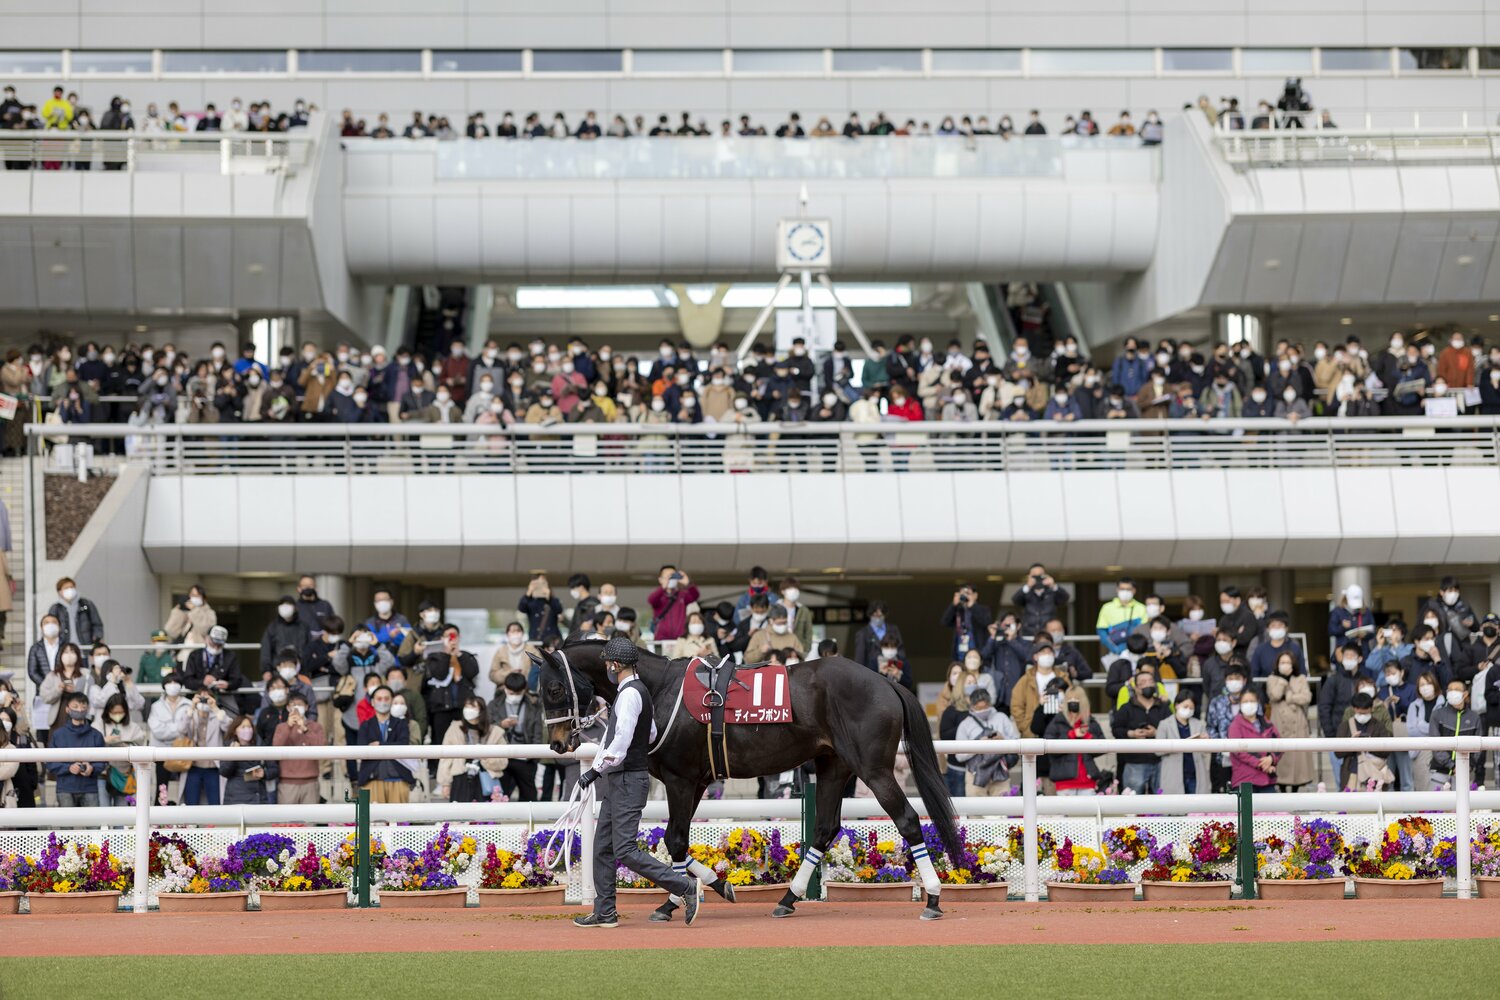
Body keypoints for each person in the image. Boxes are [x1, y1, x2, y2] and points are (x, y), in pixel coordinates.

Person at [574, 636, 701, 929]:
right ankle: (605, 911)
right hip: (623, 778)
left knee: (625, 850)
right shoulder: (636, 691)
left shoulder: (629, 694)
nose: (606, 667)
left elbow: (620, 741)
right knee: (602, 847)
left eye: (608, 663)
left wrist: (596, 770)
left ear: (616, 665)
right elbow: (651, 733)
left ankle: (684, 886)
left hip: (627, 779)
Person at [437, 697, 507, 802]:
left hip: (486, 778)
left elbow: (503, 761)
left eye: (473, 707)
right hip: (461, 777)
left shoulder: (495, 732)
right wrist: (445, 783)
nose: (468, 710)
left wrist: (484, 757)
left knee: (485, 811)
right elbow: (445, 758)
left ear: (481, 710)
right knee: (460, 811)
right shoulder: (455, 729)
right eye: (466, 707)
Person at [953, 687, 1020, 796]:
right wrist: (979, 745)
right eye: (979, 708)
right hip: (974, 775)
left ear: (990, 703)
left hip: (1000, 772)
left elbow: (1017, 743)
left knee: (1004, 806)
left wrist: (1003, 739)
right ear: (972, 706)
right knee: (976, 806)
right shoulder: (965, 725)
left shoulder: (1002, 718)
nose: (983, 710)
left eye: (985, 707)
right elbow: (959, 756)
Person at [1113, 670, 1170, 794]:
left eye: (1150, 681)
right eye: (1143, 682)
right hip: (1134, 761)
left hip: (1160, 761)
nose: (1147, 685)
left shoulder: (1164, 707)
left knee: (1162, 800)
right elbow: (1116, 729)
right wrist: (1132, 734)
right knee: (1133, 801)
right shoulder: (1126, 708)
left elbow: (1171, 729)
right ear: (1136, 687)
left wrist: (1157, 733)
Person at [356, 685, 415, 803]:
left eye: (386, 698)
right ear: (372, 702)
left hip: (399, 778)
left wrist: (380, 745)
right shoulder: (366, 725)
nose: (383, 702)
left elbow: (403, 744)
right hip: (372, 779)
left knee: (399, 814)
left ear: (392, 701)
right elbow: (362, 749)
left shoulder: (401, 723)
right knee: (373, 815)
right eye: (379, 699)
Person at [1264, 651, 1313, 791]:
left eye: (1288, 662)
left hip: (1298, 723)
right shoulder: (1272, 679)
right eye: (1282, 662)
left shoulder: (1300, 678)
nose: (1285, 665)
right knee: (1281, 756)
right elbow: (1274, 695)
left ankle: (1296, 789)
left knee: (1297, 758)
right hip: (1279, 722)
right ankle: (1282, 788)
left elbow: (1306, 697)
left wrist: (1290, 697)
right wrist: (1282, 681)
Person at [489, 671, 541, 801]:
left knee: (529, 797)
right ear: (505, 688)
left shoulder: (533, 706)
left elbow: (537, 733)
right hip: (502, 757)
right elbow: (486, 729)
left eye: (518, 693)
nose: (514, 696)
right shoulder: (494, 704)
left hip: (526, 758)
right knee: (500, 796)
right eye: (511, 693)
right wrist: (501, 725)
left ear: (524, 690)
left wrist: (534, 757)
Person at [47, 692, 106, 807]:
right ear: (67, 709)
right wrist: (68, 768)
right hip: (65, 788)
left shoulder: (96, 735)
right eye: (75, 706)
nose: (79, 710)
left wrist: (92, 768)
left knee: (92, 819)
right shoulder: (58, 735)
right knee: (67, 819)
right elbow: (50, 762)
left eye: (83, 707)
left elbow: (103, 761)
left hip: (89, 787)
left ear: (88, 709)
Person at [1043, 687, 1103, 795]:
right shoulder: (1057, 721)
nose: (1073, 703)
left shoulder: (1090, 721)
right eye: (1070, 699)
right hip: (1064, 780)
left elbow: (1103, 746)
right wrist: (1071, 735)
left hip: (1087, 780)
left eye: (1077, 699)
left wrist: (1087, 736)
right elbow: (1048, 746)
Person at [272, 692, 326, 806]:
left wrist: (305, 729)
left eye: (300, 704)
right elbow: (276, 747)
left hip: (311, 782)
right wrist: (288, 727)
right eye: (293, 705)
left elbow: (321, 747)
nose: (296, 708)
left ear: (306, 707)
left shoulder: (315, 726)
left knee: (310, 817)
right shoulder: (281, 727)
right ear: (288, 708)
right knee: (287, 817)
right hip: (287, 783)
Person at [1428, 679, 1480, 790]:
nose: (1452, 692)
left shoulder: (1474, 718)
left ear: (1465, 694)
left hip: (1464, 772)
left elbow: (1478, 748)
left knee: (1463, 801)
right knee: (1436, 801)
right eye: (1450, 690)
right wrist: (1452, 765)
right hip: (1439, 771)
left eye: (1456, 689)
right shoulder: (1437, 714)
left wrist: (1468, 766)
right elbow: (1435, 744)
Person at [1335, 692, 1393, 790]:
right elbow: (1338, 753)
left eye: (1365, 713)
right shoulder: (1345, 726)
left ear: (1371, 708)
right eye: (1360, 713)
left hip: (1374, 773)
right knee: (1350, 799)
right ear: (1354, 709)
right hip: (1351, 773)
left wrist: (1369, 744)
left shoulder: (1379, 726)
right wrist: (1351, 743)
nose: (1362, 716)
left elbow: (1386, 752)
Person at [182, 625, 245, 716]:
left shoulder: (230, 656)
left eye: (219, 645)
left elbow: (237, 680)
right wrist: (202, 682)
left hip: (222, 697)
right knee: (188, 714)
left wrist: (228, 685)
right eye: (213, 643)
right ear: (206, 638)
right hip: (198, 695)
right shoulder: (195, 655)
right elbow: (187, 681)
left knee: (232, 716)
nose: (216, 647)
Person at [96, 691, 145, 805]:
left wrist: (126, 746)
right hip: (104, 774)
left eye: (120, 712)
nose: (117, 715)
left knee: (122, 810)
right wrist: (104, 740)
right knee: (103, 810)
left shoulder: (134, 727)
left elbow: (140, 747)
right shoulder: (98, 725)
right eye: (114, 712)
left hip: (124, 774)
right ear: (108, 711)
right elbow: (90, 744)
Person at [1154, 693, 1209, 795]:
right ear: (1176, 705)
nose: (1188, 710)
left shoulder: (1199, 724)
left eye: (1191, 708)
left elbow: (1206, 751)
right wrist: (1181, 745)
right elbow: (1158, 751)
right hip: (1173, 775)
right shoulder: (1165, 724)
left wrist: (1205, 741)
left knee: (1196, 804)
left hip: (1195, 774)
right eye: (1185, 706)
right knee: (1175, 804)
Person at [1227, 687, 1279, 792]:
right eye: (1245, 701)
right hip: (1244, 780)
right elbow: (1239, 752)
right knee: (1247, 803)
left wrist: (1271, 758)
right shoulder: (1235, 726)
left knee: (1271, 802)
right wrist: (1262, 764)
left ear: (1257, 702)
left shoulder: (1266, 722)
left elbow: (1278, 742)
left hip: (1267, 780)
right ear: (1240, 704)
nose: (1249, 704)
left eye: (1252, 701)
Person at [181, 688, 227, 806]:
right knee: (191, 803)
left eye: (207, 698)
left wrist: (215, 708)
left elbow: (228, 727)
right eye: (200, 698)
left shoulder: (217, 716)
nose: (203, 701)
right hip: (193, 766)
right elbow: (181, 729)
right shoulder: (191, 715)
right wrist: (192, 707)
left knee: (215, 802)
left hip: (212, 766)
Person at [220, 714, 277, 804]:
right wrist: (233, 754)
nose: (247, 730)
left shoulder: (260, 745)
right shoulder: (229, 746)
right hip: (236, 797)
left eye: (249, 727)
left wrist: (264, 773)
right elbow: (224, 771)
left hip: (258, 797)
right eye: (243, 727)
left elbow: (274, 769)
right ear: (235, 731)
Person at [937, 668, 971, 797]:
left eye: (974, 683)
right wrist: (966, 725)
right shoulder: (951, 711)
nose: (972, 686)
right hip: (958, 769)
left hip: (980, 769)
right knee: (959, 807)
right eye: (969, 683)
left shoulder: (983, 709)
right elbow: (944, 735)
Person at [1012, 564, 1068, 638]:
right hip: (1029, 633)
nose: (1037, 578)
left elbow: (1065, 598)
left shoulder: (1051, 592)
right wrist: (1027, 586)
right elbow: (1015, 600)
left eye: (1040, 575)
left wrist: (1053, 585)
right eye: (1034, 576)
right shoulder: (1026, 592)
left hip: (1047, 633)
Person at [261, 595, 310, 679]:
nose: (285, 608)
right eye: (283, 605)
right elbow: (266, 650)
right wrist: (266, 670)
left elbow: (309, 648)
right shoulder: (272, 627)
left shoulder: (303, 626)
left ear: (295, 608)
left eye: (288, 605)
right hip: (277, 671)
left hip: (301, 671)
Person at [47, 576, 104, 648]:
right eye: (66, 588)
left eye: (71, 587)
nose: (70, 590)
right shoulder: (56, 608)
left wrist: (97, 638)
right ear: (60, 592)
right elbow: (50, 627)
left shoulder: (86, 604)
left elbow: (97, 624)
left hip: (85, 647)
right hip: (63, 649)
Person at [1096, 577, 1147, 657]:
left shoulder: (1142, 608)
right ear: (1117, 589)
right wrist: (1115, 649)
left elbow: (1144, 631)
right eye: (1122, 589)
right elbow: (1102, 631)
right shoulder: (1107, 608)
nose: (1125, 592)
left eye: (1128, 589)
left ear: (1134, 590)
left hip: (1137, 652)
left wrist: (1137, 648)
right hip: (1115, 653)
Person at [941, 583, 993, 662]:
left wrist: (972, 606)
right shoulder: (958, 610)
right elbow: (945, 621)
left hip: (978, 652)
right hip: (960, 652)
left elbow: (986, 622)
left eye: (968, 593)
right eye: (962, 594)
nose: (965, 596)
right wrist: (953, 605)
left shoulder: (983, 609)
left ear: (975, 595)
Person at [648, 565, 700, 643]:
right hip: (661, 639)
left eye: (672, 576)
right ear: (660, 579)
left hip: (680, 640)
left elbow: (695, 596)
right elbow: (651, 600)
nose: (670, 579)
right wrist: (663, 588)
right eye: (667, 577)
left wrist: (688, 583)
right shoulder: (659, 596)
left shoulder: (682, 595)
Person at [852, 601, 904, 673]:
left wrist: (899, 669)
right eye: (875, 615)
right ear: (870, 615)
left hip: (892, 670)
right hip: (872, 673)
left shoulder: (893, 629)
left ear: (885, 615)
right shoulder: (863, 633)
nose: (878, 618)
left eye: (881, 615)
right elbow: (860, 657)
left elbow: (900, 650)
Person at [1248, 612, 1304, 679]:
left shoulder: (1295, 648)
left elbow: (1302, 673)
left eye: (1280, 625)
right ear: (1268, 629)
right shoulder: (1260, 650)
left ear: (1286, 628)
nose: (1277, 628)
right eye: (1273, 626)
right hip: (1265, 685)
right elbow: (1253, 674)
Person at [163, 584, 217, 651]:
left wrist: (194, 610)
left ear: (204, 598)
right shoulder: (185, 613)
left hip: (199, 651)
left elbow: (206, 631)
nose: (194, 598)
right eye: (192, 595)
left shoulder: (209, 613)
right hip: (183, 652)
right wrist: (178, 610)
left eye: (197, 595)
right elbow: (170, 631)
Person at [519, 573, 564, 642]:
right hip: (535, 637)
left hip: (552, 639)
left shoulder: (553, 601)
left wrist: (549, 597)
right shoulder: (529, 602)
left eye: (543, 583)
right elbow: (521, 608)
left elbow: (559, 610)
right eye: (537, 583)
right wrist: (529, 592)